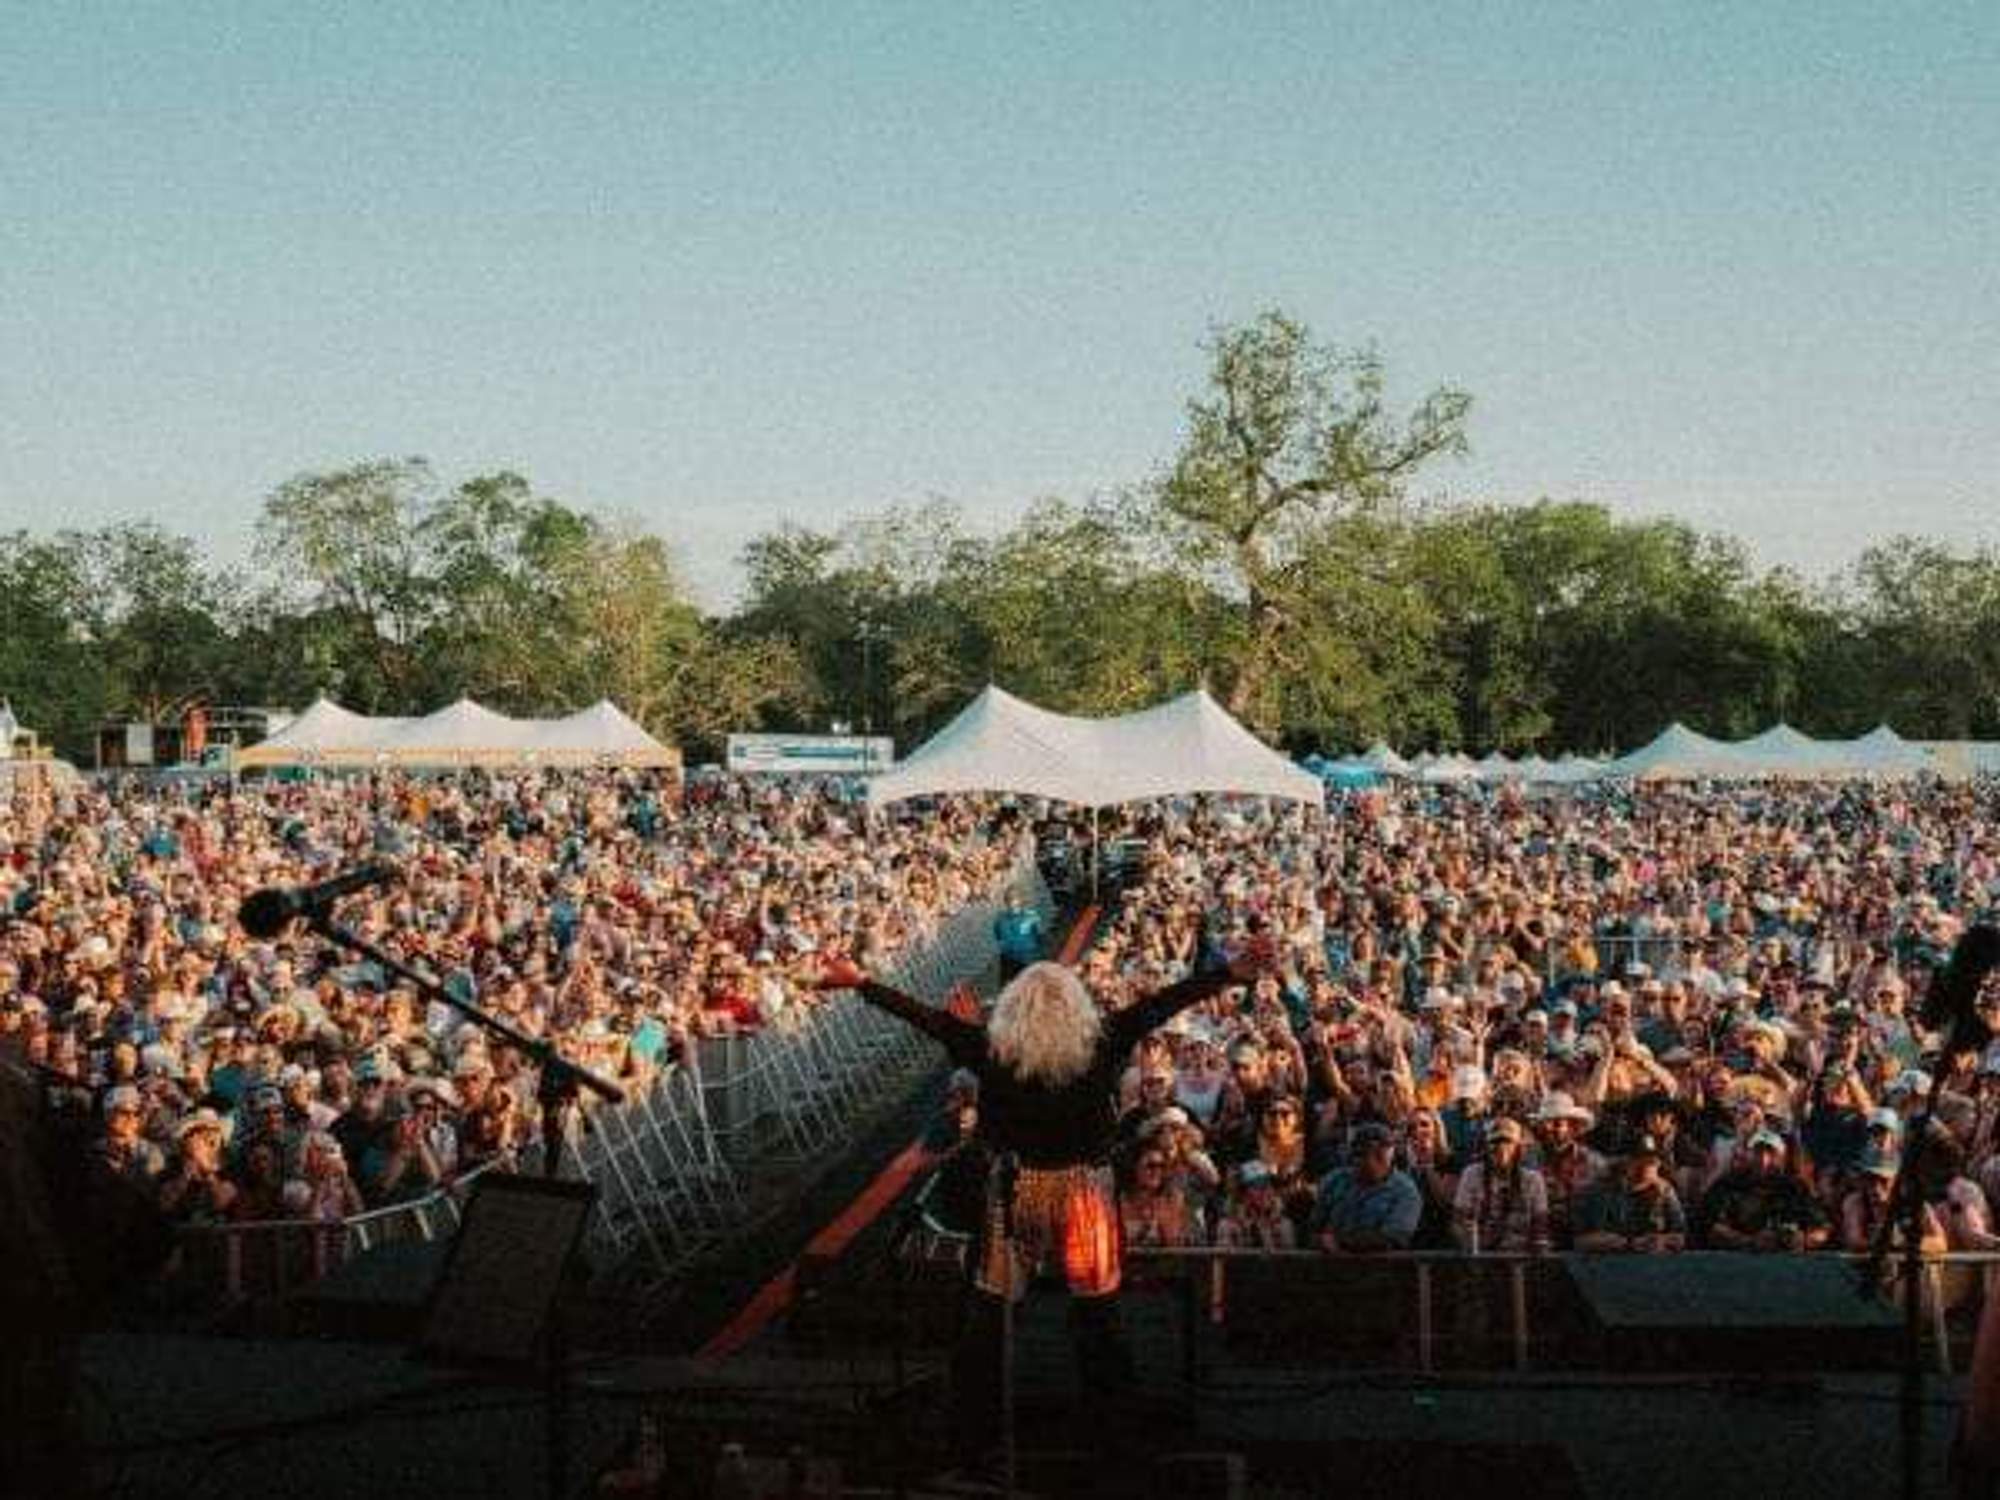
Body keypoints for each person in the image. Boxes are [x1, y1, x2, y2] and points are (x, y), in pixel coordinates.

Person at [813, 940, 1273, 1471]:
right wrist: (1226, 974)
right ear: (1077, 1007)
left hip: (1016, 1194)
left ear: (1014, 1009)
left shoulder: (990, 1048)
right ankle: (1116, 1443)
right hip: (1085, 1195)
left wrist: (860, 982)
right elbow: (1163, 1003)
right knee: (1099, 1319)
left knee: (989, 1321)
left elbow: (927, 1021)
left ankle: (969, 1441)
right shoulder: (1102, 1040)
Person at [1310, 1122, 1422, 1253]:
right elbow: (1314, 1226)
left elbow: (1395, 1237)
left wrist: (1341, 1241)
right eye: (1363, 1153)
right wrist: (1320, 1240)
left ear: (1391, 1154)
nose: (1370, 1160)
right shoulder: (1335, 1180)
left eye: (1379, 1154)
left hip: (1383, 1267)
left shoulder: (1405, 1190)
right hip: (1330, 1262)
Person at [1572, 1136, 1687, 1253]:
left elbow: (1681, 1236)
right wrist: (1629, 1243)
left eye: (1652, 1161)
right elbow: (1581, 1241)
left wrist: (1662, 1240)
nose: (1647, 1166)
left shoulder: (1665, 1191)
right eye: (1639, 1159)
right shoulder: (1601, 1192)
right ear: (1625, 1161)